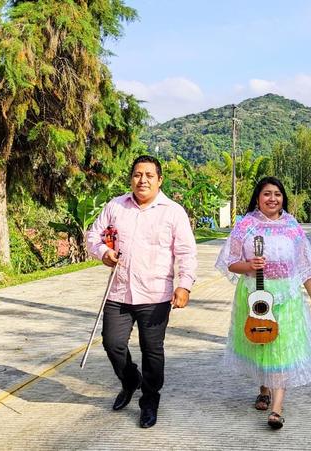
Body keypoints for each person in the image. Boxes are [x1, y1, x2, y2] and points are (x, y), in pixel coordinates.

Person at [86, 155, 197, 429]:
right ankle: (130, 380)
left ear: (160, 180)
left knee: (152, 351)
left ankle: (149, 401)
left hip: (155, 294)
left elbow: (186, 252)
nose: (142, 180)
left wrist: (184, 285)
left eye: (149, 175)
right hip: (119, 291)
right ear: (131, 178)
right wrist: (103, 252)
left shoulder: (173, 211)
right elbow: (93, 236)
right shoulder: (115, 206)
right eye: (137, 174)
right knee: (112, 344)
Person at [215, 176, 311, 430]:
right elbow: (230, 262)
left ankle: (276, 407)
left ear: (283, 198)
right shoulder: (245, 226)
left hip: (287, 296)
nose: (272, 198)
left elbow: (304, 266)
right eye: (267, 194)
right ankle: (263, 389)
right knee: (261, 344)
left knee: (282, 347)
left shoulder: (292, 226)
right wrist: (249, 266)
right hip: (255, 294)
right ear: (257, 198)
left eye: (277, 194)